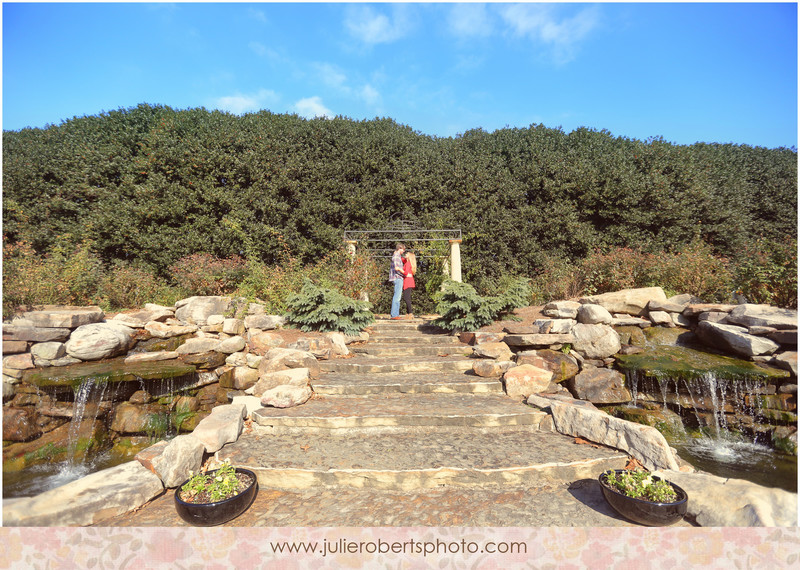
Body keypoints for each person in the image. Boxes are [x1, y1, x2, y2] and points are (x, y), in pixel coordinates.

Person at [389, 242, 405, 319]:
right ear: (399, 248)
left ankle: (396, 314)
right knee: (397, 297)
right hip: (397, 277)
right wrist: (405, 273)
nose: (403, 251)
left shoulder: (397, 255)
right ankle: (394, 315)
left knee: (398, 296)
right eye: (403, 249)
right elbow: (396, 267)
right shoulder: (396, 256)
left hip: (398, 277)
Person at [402, 251, 417, 319]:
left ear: (409, 256)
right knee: (407, 297)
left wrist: (399, 269)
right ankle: (408, 313)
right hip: (408, 281)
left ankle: (410, 313)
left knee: (406, 298)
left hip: (408, 282)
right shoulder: (407, 262)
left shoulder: (408, 263)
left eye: (407, 254)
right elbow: (402, 259)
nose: (405, 254)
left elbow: (406, 273)